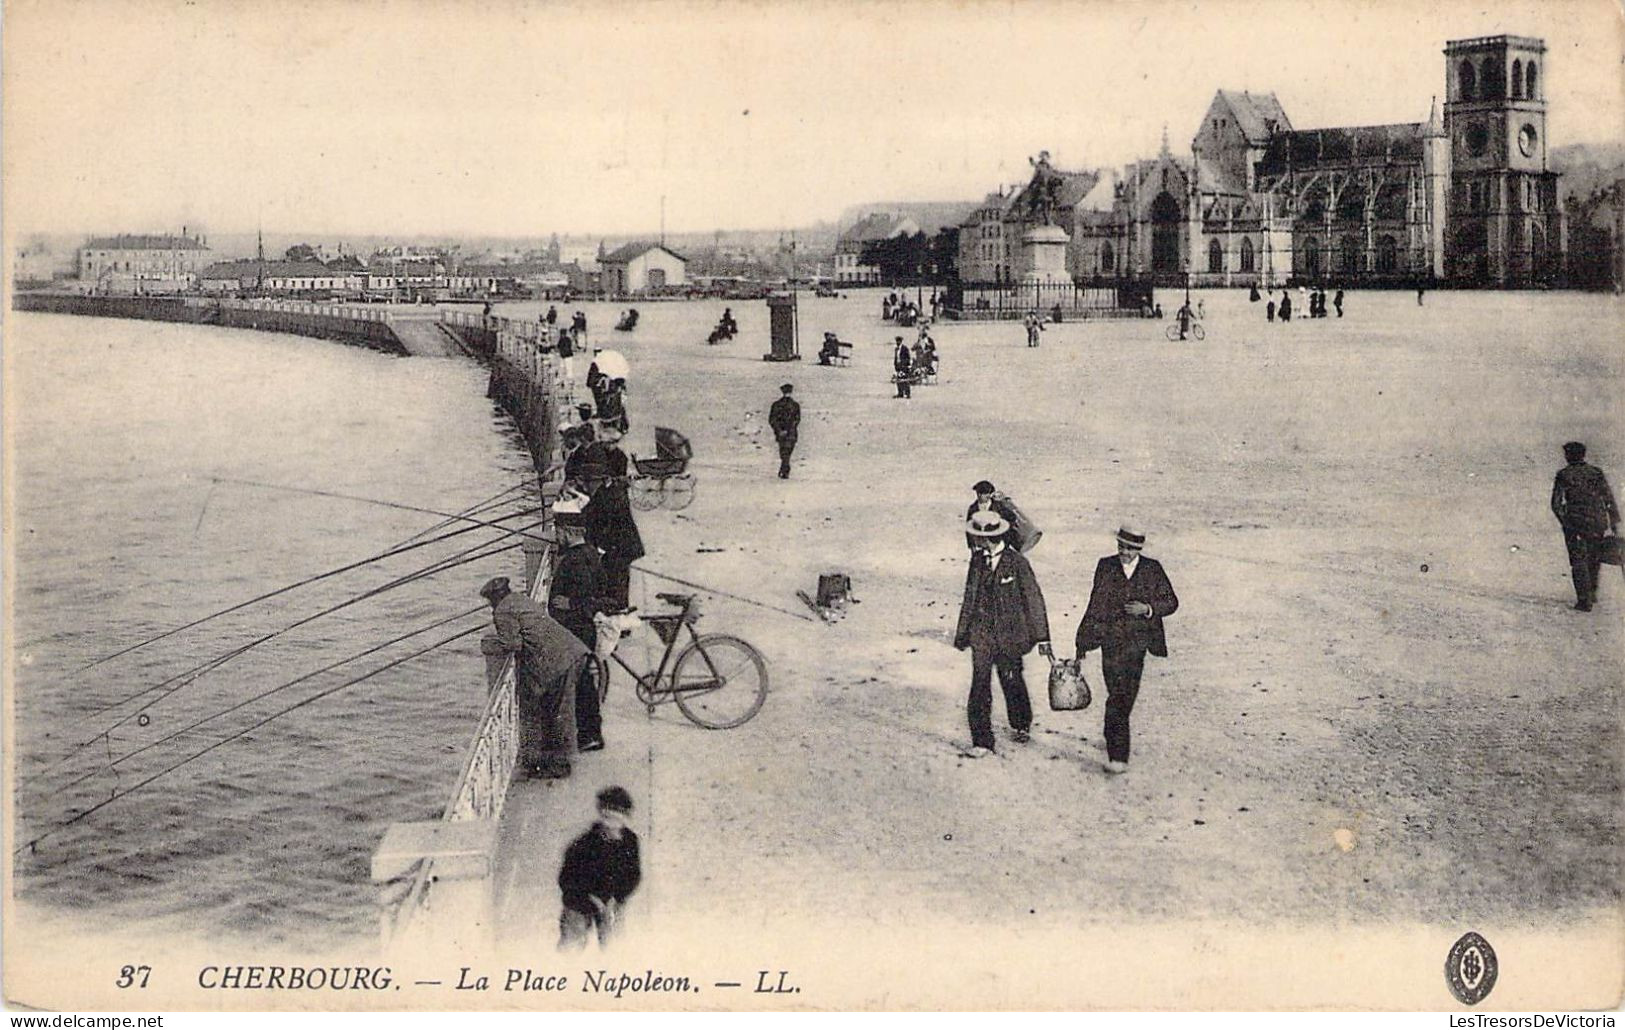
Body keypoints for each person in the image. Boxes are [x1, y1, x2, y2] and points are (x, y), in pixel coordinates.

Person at [1073, 526, 1179, 774]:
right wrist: (1083, 641)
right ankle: (1116, 746)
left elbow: (1172, 601)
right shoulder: (1105, 566)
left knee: (1124, 696)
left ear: (1139, 549)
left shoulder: (1152, 569)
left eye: (1129, 548)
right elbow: (1095, 604)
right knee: (1116, 694)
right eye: (1121, 546)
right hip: (1110, 641)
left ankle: (1115, 744)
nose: (1124, 552)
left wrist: (1148, 609)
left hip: (1138, 644)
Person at [953, 510, 1052, 757]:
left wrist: (1042, 637)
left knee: (1011, 679)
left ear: (988, 538)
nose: (975, 541)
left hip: (1010, 636)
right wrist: (963, 633)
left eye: (978, 537)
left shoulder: (1017, 563)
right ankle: (982, 741)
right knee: (979, 685)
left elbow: (1034, 600)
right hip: (982, 635)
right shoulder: (977, 562)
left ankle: (1020, 724)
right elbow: (970, 597)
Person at [481, 576, 584, 779]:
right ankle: (552, 760)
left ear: (494, 598)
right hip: (568, 650)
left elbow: (513, 644)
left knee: (557, 713)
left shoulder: (502, 610)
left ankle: (560, 766)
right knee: (556, 710)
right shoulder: (520, 599)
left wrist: (494, 642)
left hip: (555, 662)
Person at [548, 500, 608, 751]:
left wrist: (569, 604)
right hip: (581, 630)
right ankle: (588, 733)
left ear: (569, 532)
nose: (556, 537)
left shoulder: (575, 561)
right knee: (583, 683)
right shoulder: (589, 553)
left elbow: (586, 599)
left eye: (559, 532)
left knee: (583, 685)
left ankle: (591, 735)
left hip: (577, 630)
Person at [557, 786, 642, 951]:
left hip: (611, 900)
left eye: (618, 820)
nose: (612, 827)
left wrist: (617, 897)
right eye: (608, 818)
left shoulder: (630, 841)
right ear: (602, 816)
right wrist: (593, 899)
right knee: (572, 942)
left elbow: (633, 875)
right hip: (581, 901)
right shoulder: (583, 845)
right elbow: (566, 880)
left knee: (614, 944)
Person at [1551, 441, 1620, 611]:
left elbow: (1556, 503)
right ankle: (1593, 592)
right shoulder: (1596, 472)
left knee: (1578, 560)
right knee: (1594, 556)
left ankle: (1584, 600)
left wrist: (1565, 521)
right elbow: (1608, 498)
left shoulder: (1564, 474)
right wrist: (1613, 522)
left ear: (1569, 455)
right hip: (1597, 521)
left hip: (1575, 523)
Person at [580, 457, 645, 611]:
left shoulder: (610, 497)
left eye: (590, 482)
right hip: (619, 548)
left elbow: (602, 526)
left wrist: (597, 548)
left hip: (621, 548)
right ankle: (617, 614)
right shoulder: (605, 493)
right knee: (616, 582)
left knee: (616, 583)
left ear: (601, 481)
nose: (587, 486)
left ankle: (618, 617)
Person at [964, 480, 1018, 549]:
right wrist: (971, 546)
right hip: (980, 546)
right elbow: (969, 528)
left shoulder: (998, 506)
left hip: (997, 544)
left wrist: (1005, 540)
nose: (979, 495)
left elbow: (1012, 518)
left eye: (983, 493)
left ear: (989, 494)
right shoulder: (973, 508)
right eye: (978, 493)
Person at [769, 383, 800, 479]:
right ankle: (785, 469)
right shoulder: (795, 405)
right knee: (786, 452)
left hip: (784, 433)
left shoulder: (777, 404)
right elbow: (797, 420)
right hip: (790, 433)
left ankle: (784, 469)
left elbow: (772, 420)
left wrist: (779, 430)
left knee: (784, 452)